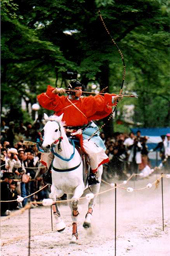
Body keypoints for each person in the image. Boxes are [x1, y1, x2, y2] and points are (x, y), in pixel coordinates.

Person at [37, 80, 122, 184]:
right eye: (77, 89)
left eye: (81, 89)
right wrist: (54, 91)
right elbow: (44, 100)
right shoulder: (61, 101)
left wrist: (114, 98)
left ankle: (92, 174)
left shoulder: (85, 101)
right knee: (48, 151)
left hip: (81, 132)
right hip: (63, 133)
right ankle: (48, 173)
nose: (80, 91)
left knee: (93, 152)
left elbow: (99, 101)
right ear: (70, 90)